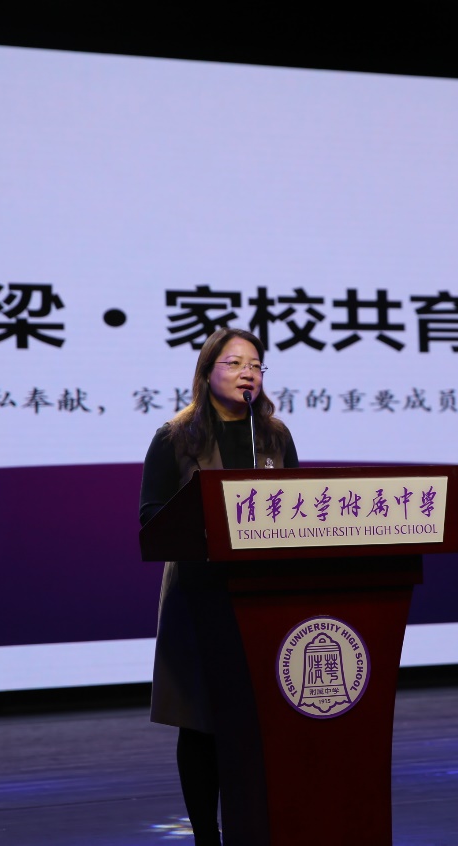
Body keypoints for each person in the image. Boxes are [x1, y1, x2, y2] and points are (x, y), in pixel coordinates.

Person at [138, 328, 298, 846]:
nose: (247, 372)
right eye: (234, 363)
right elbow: (151, 518)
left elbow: (299, 510)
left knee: (257, 721)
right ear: (207, 373)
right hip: (199, 595)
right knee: (201, 722)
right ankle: (208, 836)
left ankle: (257, 827)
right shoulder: (175, 437)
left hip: (261, 598)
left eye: (255, 364)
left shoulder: (273, 436)